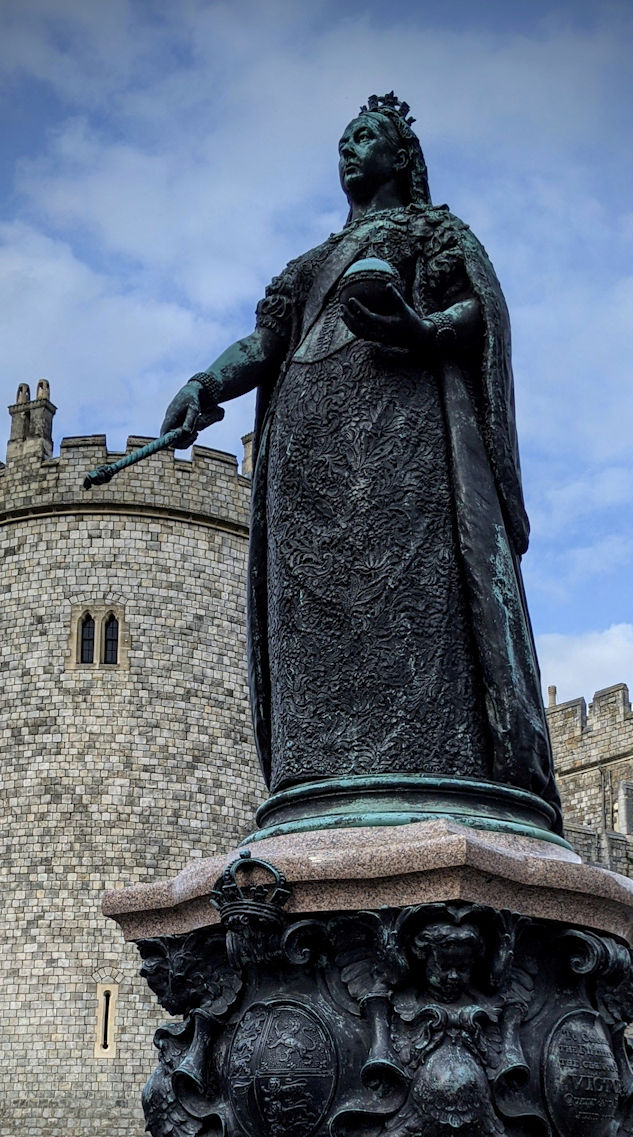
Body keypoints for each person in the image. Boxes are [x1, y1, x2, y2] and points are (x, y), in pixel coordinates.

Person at [161, 93, 562, 835]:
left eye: (367, 136)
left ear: (402, 156)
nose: (350, 148)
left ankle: (434, 767)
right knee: (311, 620)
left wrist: (421, 326)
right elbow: (263, 346)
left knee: (415, 601)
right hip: (307, 454)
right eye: (343, 138)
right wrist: (202, 385)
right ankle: (319, 774)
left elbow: (478, 312)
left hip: (402, 438)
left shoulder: (432, 232)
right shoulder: (309, 263)